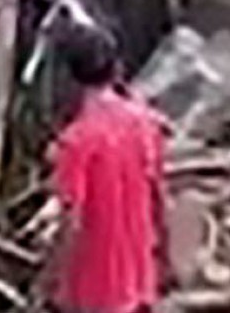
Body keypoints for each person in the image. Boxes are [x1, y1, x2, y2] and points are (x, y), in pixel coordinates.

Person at [47, 22, 169, 313]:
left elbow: (71, 222)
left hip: (95, 289)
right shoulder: (144, 123)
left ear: (70, 79)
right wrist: (165, 255)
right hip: (139, 279)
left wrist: (53, 278)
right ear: (116, 70)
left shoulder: (76, 142)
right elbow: (159, 197)